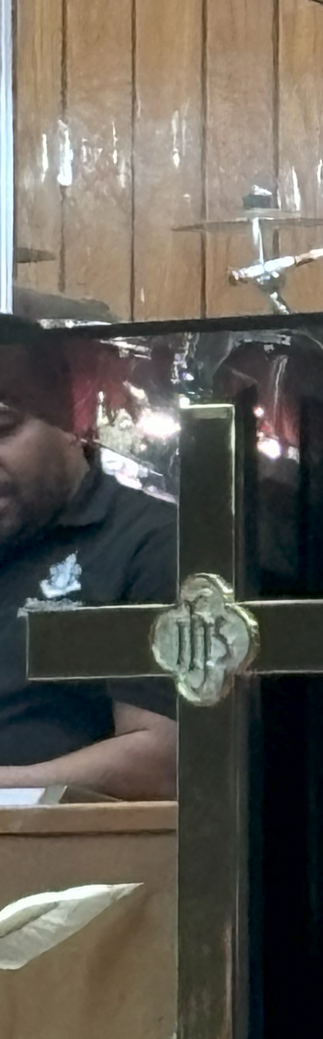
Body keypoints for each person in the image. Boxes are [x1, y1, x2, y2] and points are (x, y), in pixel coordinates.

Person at [0, 320, 176, 798]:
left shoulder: (150, 543)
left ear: (73, 423)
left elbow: (162, 761)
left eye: (3, 428)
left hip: (70, 858)